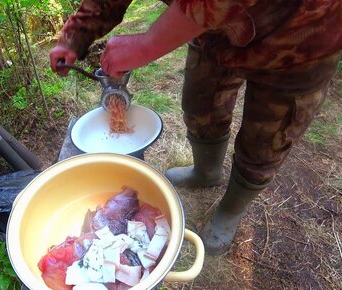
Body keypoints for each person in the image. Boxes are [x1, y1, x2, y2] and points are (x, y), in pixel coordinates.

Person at [49, 0, 341, 255]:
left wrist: (146, 44)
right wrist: (73, 38)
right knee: (202, 105)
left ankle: (230, 210)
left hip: (300, 37)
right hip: (213, 34)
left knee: (267, 141)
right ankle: (206, 172)